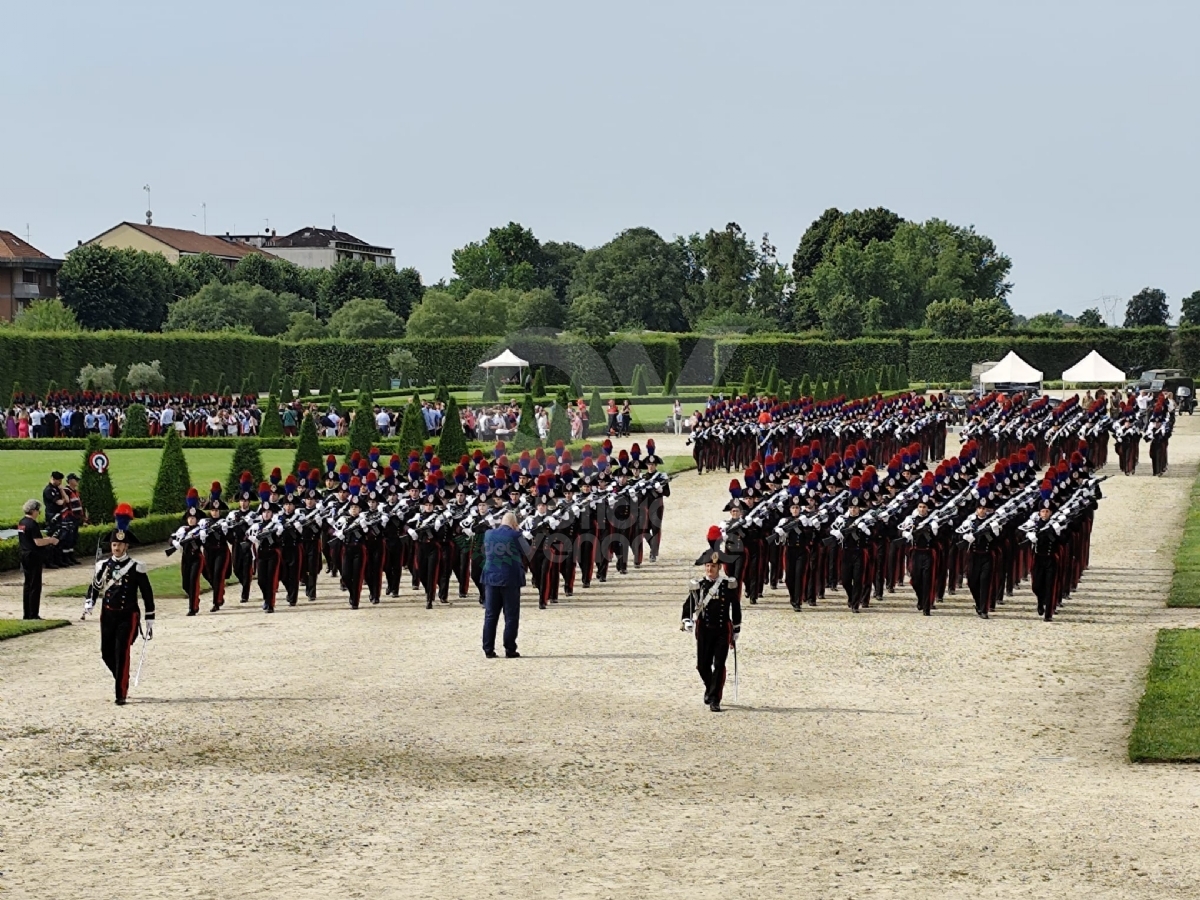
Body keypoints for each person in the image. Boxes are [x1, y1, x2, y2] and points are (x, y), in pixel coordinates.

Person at [83, 506, 155, 705]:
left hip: (128, 614)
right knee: (106, 653)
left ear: (126, 547)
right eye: (114, 544)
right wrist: (90, 601)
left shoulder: (136, 567)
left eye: (120, 545)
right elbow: (95, 586)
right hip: (107, 614)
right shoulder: (103, 566)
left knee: (122, 652)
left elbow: (146, 593)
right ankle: (121, 679)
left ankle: (120, 693)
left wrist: (150, 616)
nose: (116, 548)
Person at [681, 550, 740, 712]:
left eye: (713, 566)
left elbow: (735, 607)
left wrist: (736, 629)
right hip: (704, 629)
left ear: (719, 567)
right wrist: (686, 619)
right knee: (702, 665)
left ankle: (715, 698)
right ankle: (710, 687)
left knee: (719, 665)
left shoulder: (727, 585)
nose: (709, 569)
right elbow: (688, 605)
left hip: (722, 629)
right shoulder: (699, 585)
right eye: (707, 566)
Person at [481, 511, 529, 659]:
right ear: (514, 524)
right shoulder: (515, 535)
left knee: (490, 615)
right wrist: (520, 533)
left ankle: (488, 649)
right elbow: (527, 551)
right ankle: (510, 648)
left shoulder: (488, 534)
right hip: (510, 578)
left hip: (491, 577)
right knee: (511, 615)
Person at [17, 499, 58, 620]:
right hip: (33, 555)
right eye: (38, 511)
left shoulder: (21, 522)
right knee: (35, 585)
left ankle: (27, 613)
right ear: (33, 510)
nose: (38, 513)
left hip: (24, 554)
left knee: (27, 584)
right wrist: (50, 540)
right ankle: (33, 613)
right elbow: (38, 542)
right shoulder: (32, 524)